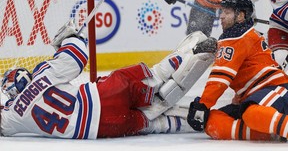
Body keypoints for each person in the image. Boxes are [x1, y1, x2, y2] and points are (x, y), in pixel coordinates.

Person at [0, 19, 217, 138]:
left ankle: (200, 123)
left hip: (100, 129)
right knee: (153, 77)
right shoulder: (43, 75)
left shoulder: (12, 116)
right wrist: (71, 38)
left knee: (152, 123)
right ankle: (189, 54)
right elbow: (77, 56)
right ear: (25, 76)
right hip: (103, 97)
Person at [187, 0, 288, 141]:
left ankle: (279, 128)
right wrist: (217, 47)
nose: (221, 16)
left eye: (227, 12)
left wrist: (203, 104)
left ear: (240, 16)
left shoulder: (235, 37)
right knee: (211, 120)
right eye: (222, 12)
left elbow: (220, 78)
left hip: (275, 89)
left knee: (250, 114)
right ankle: (267, 133)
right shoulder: (244, 35)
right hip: (260, 94)